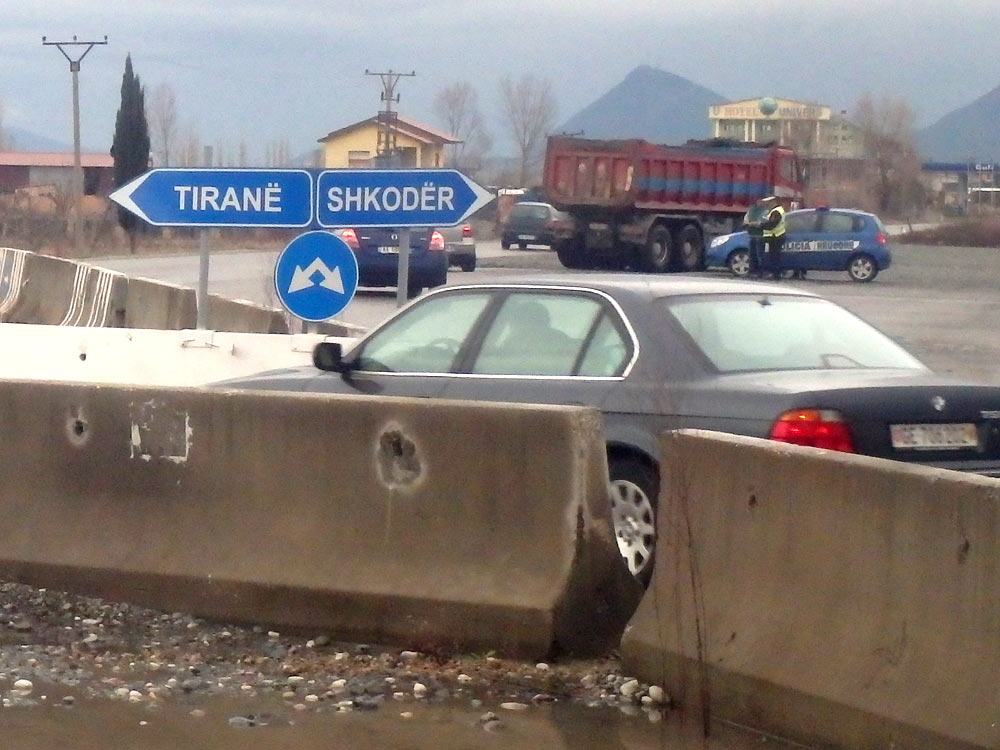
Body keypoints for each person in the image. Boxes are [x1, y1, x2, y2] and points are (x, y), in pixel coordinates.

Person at [758, 196, 787, 278]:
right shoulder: (777, 210)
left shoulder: (776, 212)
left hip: (776, 237)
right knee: (774, 255)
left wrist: (760, 225)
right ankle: (775, 273)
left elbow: (772, 225)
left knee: (774, 256)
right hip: (777, 236)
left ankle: (776, 274)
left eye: (769, 202)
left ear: (774, 202)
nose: (767, 204)